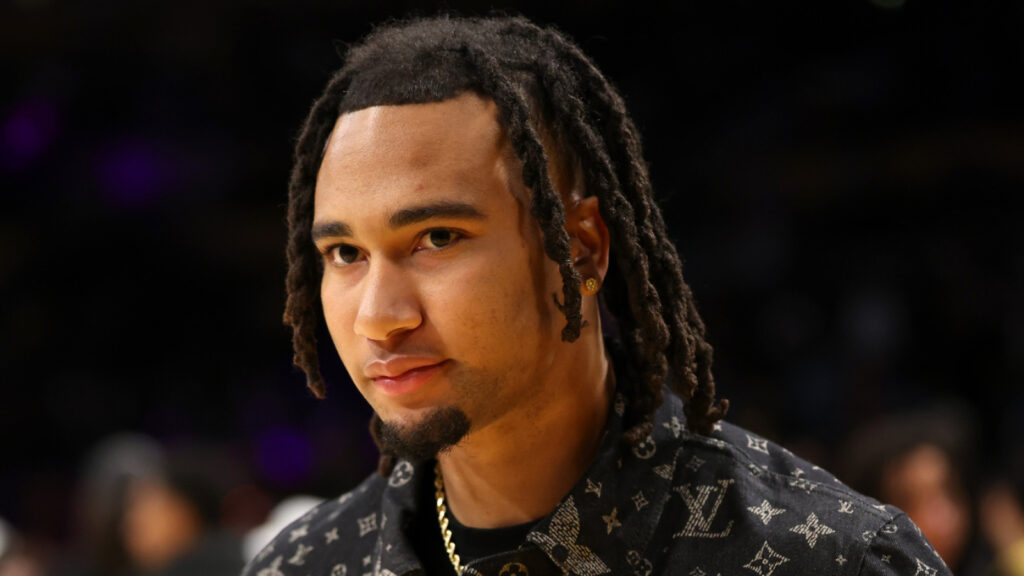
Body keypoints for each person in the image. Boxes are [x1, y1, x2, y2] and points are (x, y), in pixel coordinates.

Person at [244, 15, 951, 576]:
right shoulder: (301, 566)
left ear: (580, 247)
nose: (378, 317)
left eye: (436, 238)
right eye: (345, 253)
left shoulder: (829, 557)